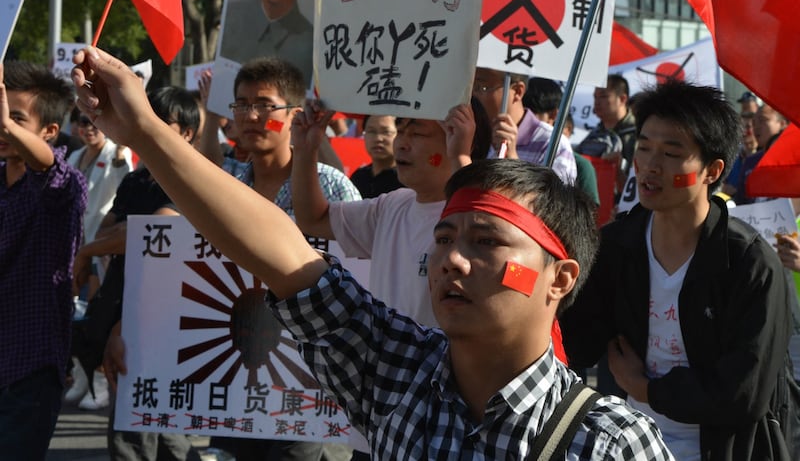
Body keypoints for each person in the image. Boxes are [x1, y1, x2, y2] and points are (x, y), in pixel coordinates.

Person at [69, 46, 675, 458]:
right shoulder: (394, 375)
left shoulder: (610, 443)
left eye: (486, 242)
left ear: (559, 278)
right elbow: (283, 248)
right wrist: (145, 130)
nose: (452, 261)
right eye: (444, 239)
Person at [561, 80, 796, 460]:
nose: (651, 166)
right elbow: (576, 343)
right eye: (644, 147)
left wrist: (647, 390)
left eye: (672, 153)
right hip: (631, 446)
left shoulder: (749, 263)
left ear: (711, 170)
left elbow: (744, 394)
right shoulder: (616, 247)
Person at [198, 58, 358, 461]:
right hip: (236, 377)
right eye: (241, 104)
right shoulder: (226, 184)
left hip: (309, 378)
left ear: (294, 115)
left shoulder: (330, 186)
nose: (251, 116)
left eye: (266, 105)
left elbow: (359, 271)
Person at [73, 86, 202, 460]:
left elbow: (149, 236)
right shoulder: (137, 180)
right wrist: (107, 242)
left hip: (168, 317)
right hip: (123, 303)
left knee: (151, 428)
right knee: (140, 423)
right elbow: (111, 231)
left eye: (164, 121)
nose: (151, 127)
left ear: (188, 133)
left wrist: (91, 250)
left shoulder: (191, 178)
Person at [291, 98, 486, 328]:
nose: (401, 144)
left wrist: (460, 159)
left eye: (417, 133)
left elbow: (475, 241)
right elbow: (313, 219)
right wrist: (305, 150)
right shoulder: (392, 206)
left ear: (461, 140)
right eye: (400, 129)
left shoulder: (481, 215)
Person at [0, 61, 87, 457]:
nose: (3, 126)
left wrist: (9, 131)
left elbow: (45, 166)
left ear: (49, 131)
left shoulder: (65, 184)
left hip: (29, 363)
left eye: (16, 118)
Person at [65, 115, 133, 407]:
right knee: (75, 312)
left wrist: (120, 154)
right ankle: (81, 376)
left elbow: (122, 187)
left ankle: (101, 381)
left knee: (97, 312)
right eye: (82, 124)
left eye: (94, 124)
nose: (88, 129)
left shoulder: (116, 153)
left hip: (101, 244)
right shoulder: (76, 154)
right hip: (74, 242)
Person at [471, 67, 576, 183]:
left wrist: (512, 158)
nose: (473, 95)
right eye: (471, 87)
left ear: (517, 91)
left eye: (481, 87)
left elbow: (556, 199)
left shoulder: (552, 143)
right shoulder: (470, 133)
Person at [524, 77, 599, 205]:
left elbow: (588, 212)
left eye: (532, 117)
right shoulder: (501, 142)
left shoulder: (581, 166)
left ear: (553, 115)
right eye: (523, 114)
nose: (526, 122)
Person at [576, 74, 637, 196]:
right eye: (595, 97)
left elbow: (636, 190)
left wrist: (618, 171)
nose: (597, 102)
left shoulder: (637, 136)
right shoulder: (594, 135)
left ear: (623, 99)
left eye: (603, 96)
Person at [349, 115, 403, 198]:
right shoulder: (358, 177)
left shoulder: (406, 179)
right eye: (371, 131)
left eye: (386, 132)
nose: (378, 138)